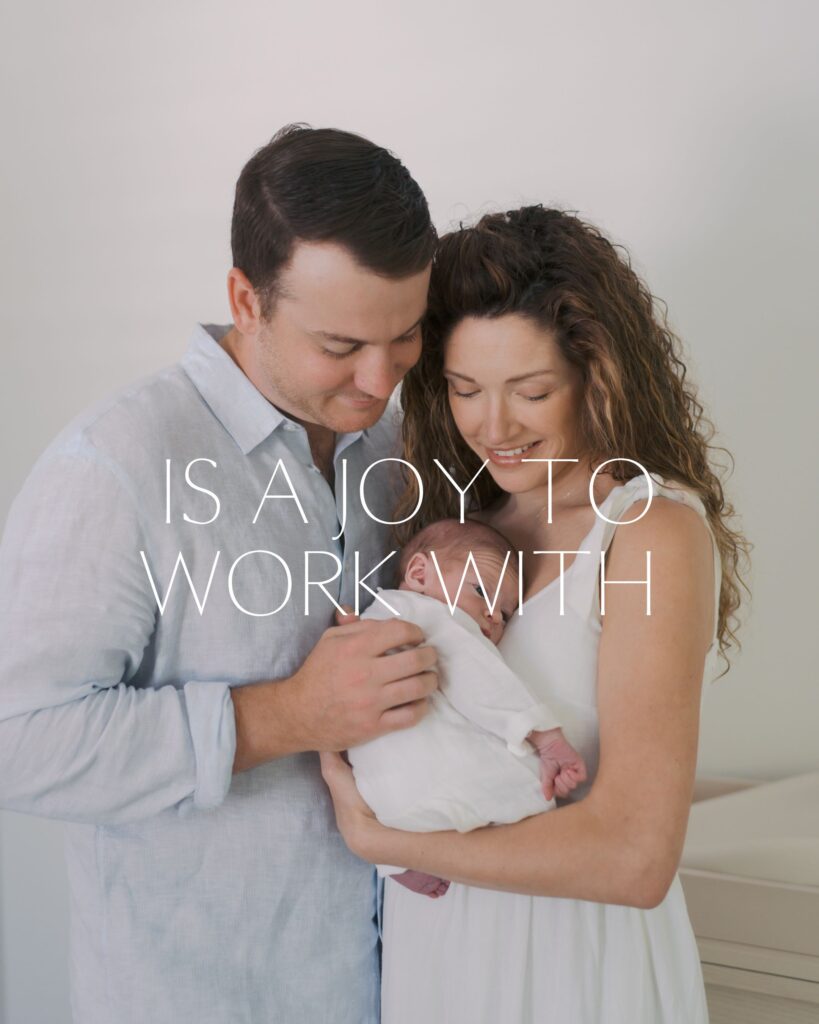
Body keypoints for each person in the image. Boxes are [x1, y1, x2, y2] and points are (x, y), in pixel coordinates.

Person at [0, 125, 440, 1024]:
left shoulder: (401, 449)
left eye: (405, 338)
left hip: (399, 993)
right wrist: (284, 715)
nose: (377, 378)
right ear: (245, 299)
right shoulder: (117, 462)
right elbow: (17, 739)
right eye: (339, 344)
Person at [321, 205, 749, 1023]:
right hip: (439, 959)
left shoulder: (648, 531)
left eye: (531, 391)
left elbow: (635, 857)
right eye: (464, 389)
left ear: (598, 375)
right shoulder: (460, 529)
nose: (493, 426)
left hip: (572, 968)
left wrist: (385, 845)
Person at [348, 518, 586, 894]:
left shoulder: (370, 620)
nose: (493, 617)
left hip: (388, 806)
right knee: (541, 794)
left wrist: (392, 861)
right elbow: (480, 678)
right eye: (482, 592)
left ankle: (398, 863)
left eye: (506, 615)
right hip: (450, 789)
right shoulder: (422, 614)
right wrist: (546, 738)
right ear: (419, 573)